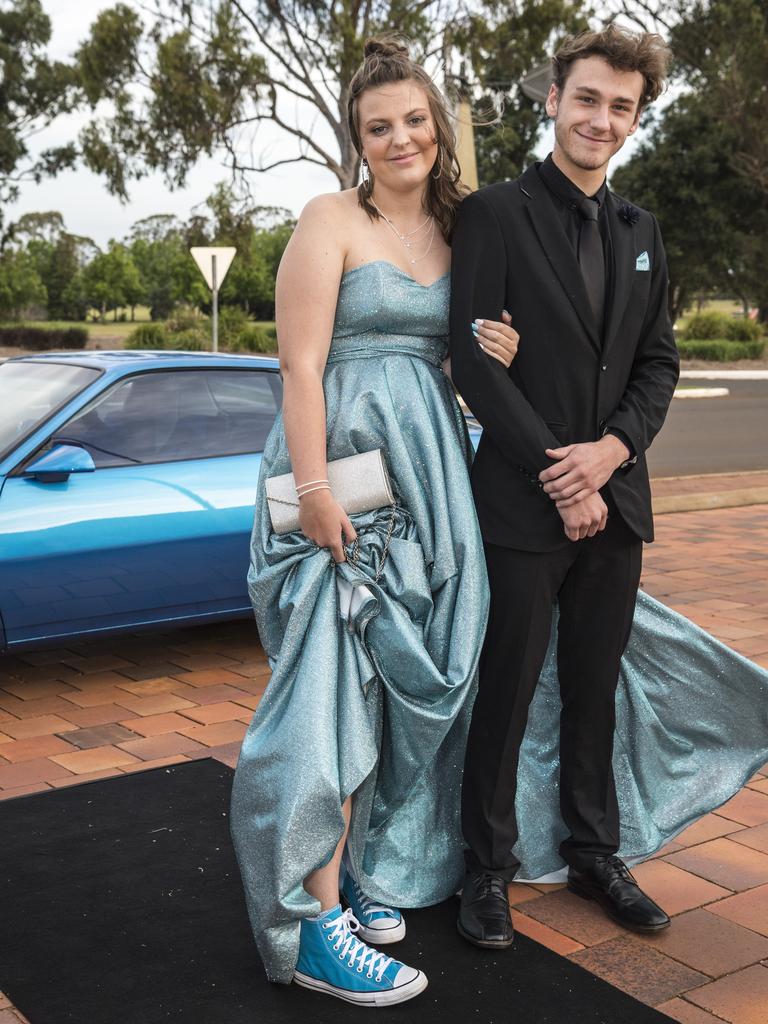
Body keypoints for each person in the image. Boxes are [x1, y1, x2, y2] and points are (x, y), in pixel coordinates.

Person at [449, 24, 766, 949]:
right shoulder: (495, 216)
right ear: (553, 100)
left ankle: (595, 852)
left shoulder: (642, 231)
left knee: (595, 692)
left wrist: (612, 454)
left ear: (636, 120)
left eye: (620, 106)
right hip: (520, 505)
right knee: (505, 694)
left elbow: (658, 365)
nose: (601, 118)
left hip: (616, 505)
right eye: (586, 98)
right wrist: (563, 469)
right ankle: (487, 872)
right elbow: (475, 366)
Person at [229, 37, 520, 1007]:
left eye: (413, 119)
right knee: (334, 679)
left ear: (437, 123)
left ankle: (348, 870)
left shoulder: (456, 232)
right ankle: (311, 929)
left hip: (429, 474)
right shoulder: (329, 218)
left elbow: (446, 369)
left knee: (398, 678)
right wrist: (313, 495)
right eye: (378, 126)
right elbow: (301, 368)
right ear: (358, 140)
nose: (401, 138)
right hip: (343, 480)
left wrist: (495, 352)